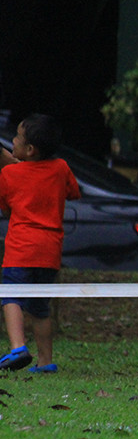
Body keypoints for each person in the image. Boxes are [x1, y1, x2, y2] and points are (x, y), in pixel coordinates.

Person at [0, 114, 80, 372]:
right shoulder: (61, 168)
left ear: (30, 149)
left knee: (10, 296)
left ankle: (17, 347)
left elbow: (6, 210)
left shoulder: (9, 174)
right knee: (40, 307)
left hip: (21, 250)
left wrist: (14, 168)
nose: (12, 140)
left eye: (17, 137)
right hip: (49, 252)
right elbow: (73, 192)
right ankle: (46, 361)